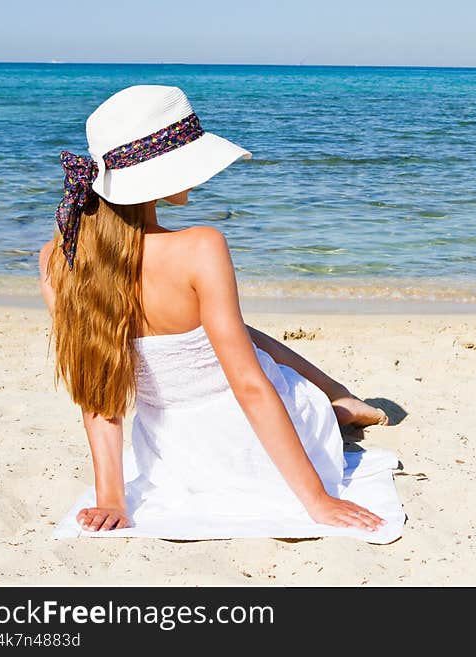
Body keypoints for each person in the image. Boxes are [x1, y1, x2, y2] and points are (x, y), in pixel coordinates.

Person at [38, 85, 391, 536]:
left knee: (227, 333)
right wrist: (317, 500)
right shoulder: (200, 246)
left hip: (174, 459)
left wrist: (111, 497)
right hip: (253, 452)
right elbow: (249, 385)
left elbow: (98, 391)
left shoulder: (57, 259)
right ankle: (341, 405)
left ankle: (341, 400)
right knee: (245, 344)